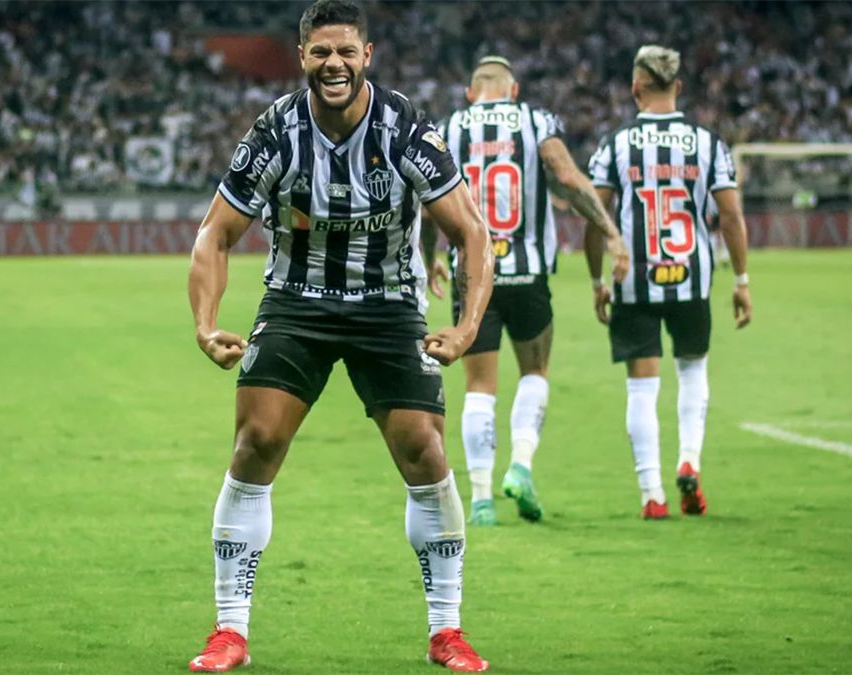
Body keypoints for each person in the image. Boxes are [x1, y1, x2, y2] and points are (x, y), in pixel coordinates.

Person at [186, 1, 493, 671]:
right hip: (297, 303)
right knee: (256, 440)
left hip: (388, 305)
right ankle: (230, 630)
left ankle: (447, 629)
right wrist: (206, 326)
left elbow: (471, 231)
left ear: (367, 56)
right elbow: (216, 232)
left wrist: (466, 326)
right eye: (321, 52)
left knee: (423, 447)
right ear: (302, 56)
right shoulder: (275, 131)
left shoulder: (405, 127)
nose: (334, 64)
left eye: (346, 52)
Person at [423, 56, 629, 526]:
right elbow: (568, 178)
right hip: (527, 273)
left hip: (471, 278)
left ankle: (481, 499)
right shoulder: (535, 121)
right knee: (535, 370)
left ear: (471, 94)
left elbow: (429, 200)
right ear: (514, 91)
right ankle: (520, 465)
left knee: (479, 386)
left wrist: (430, 253)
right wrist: (611, 233)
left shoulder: (449, 127)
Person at [585, 45, 753, 519]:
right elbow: (731, 215)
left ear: (635, 88)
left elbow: (594, 214)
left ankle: (652, 495)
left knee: (642, 387)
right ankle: (689, 460)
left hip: (633, 279)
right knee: (693, 370)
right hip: (691, 277)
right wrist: (741, 279)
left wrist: (597, 279)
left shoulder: (616, 144)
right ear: (677, 87)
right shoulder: (708, 143)